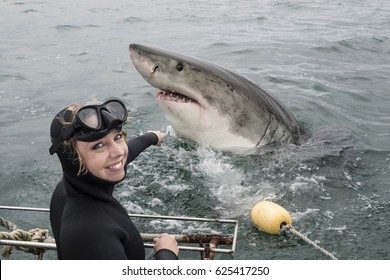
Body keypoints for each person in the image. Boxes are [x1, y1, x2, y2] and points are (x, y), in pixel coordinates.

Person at [48, 98, 179, 260]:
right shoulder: (91, 236)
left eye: (117, 137)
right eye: (98, 146)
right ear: (73, 158)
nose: (118, 152)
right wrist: (166, 253)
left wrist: (152, 137)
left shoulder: (66, 190)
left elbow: (126, 153)